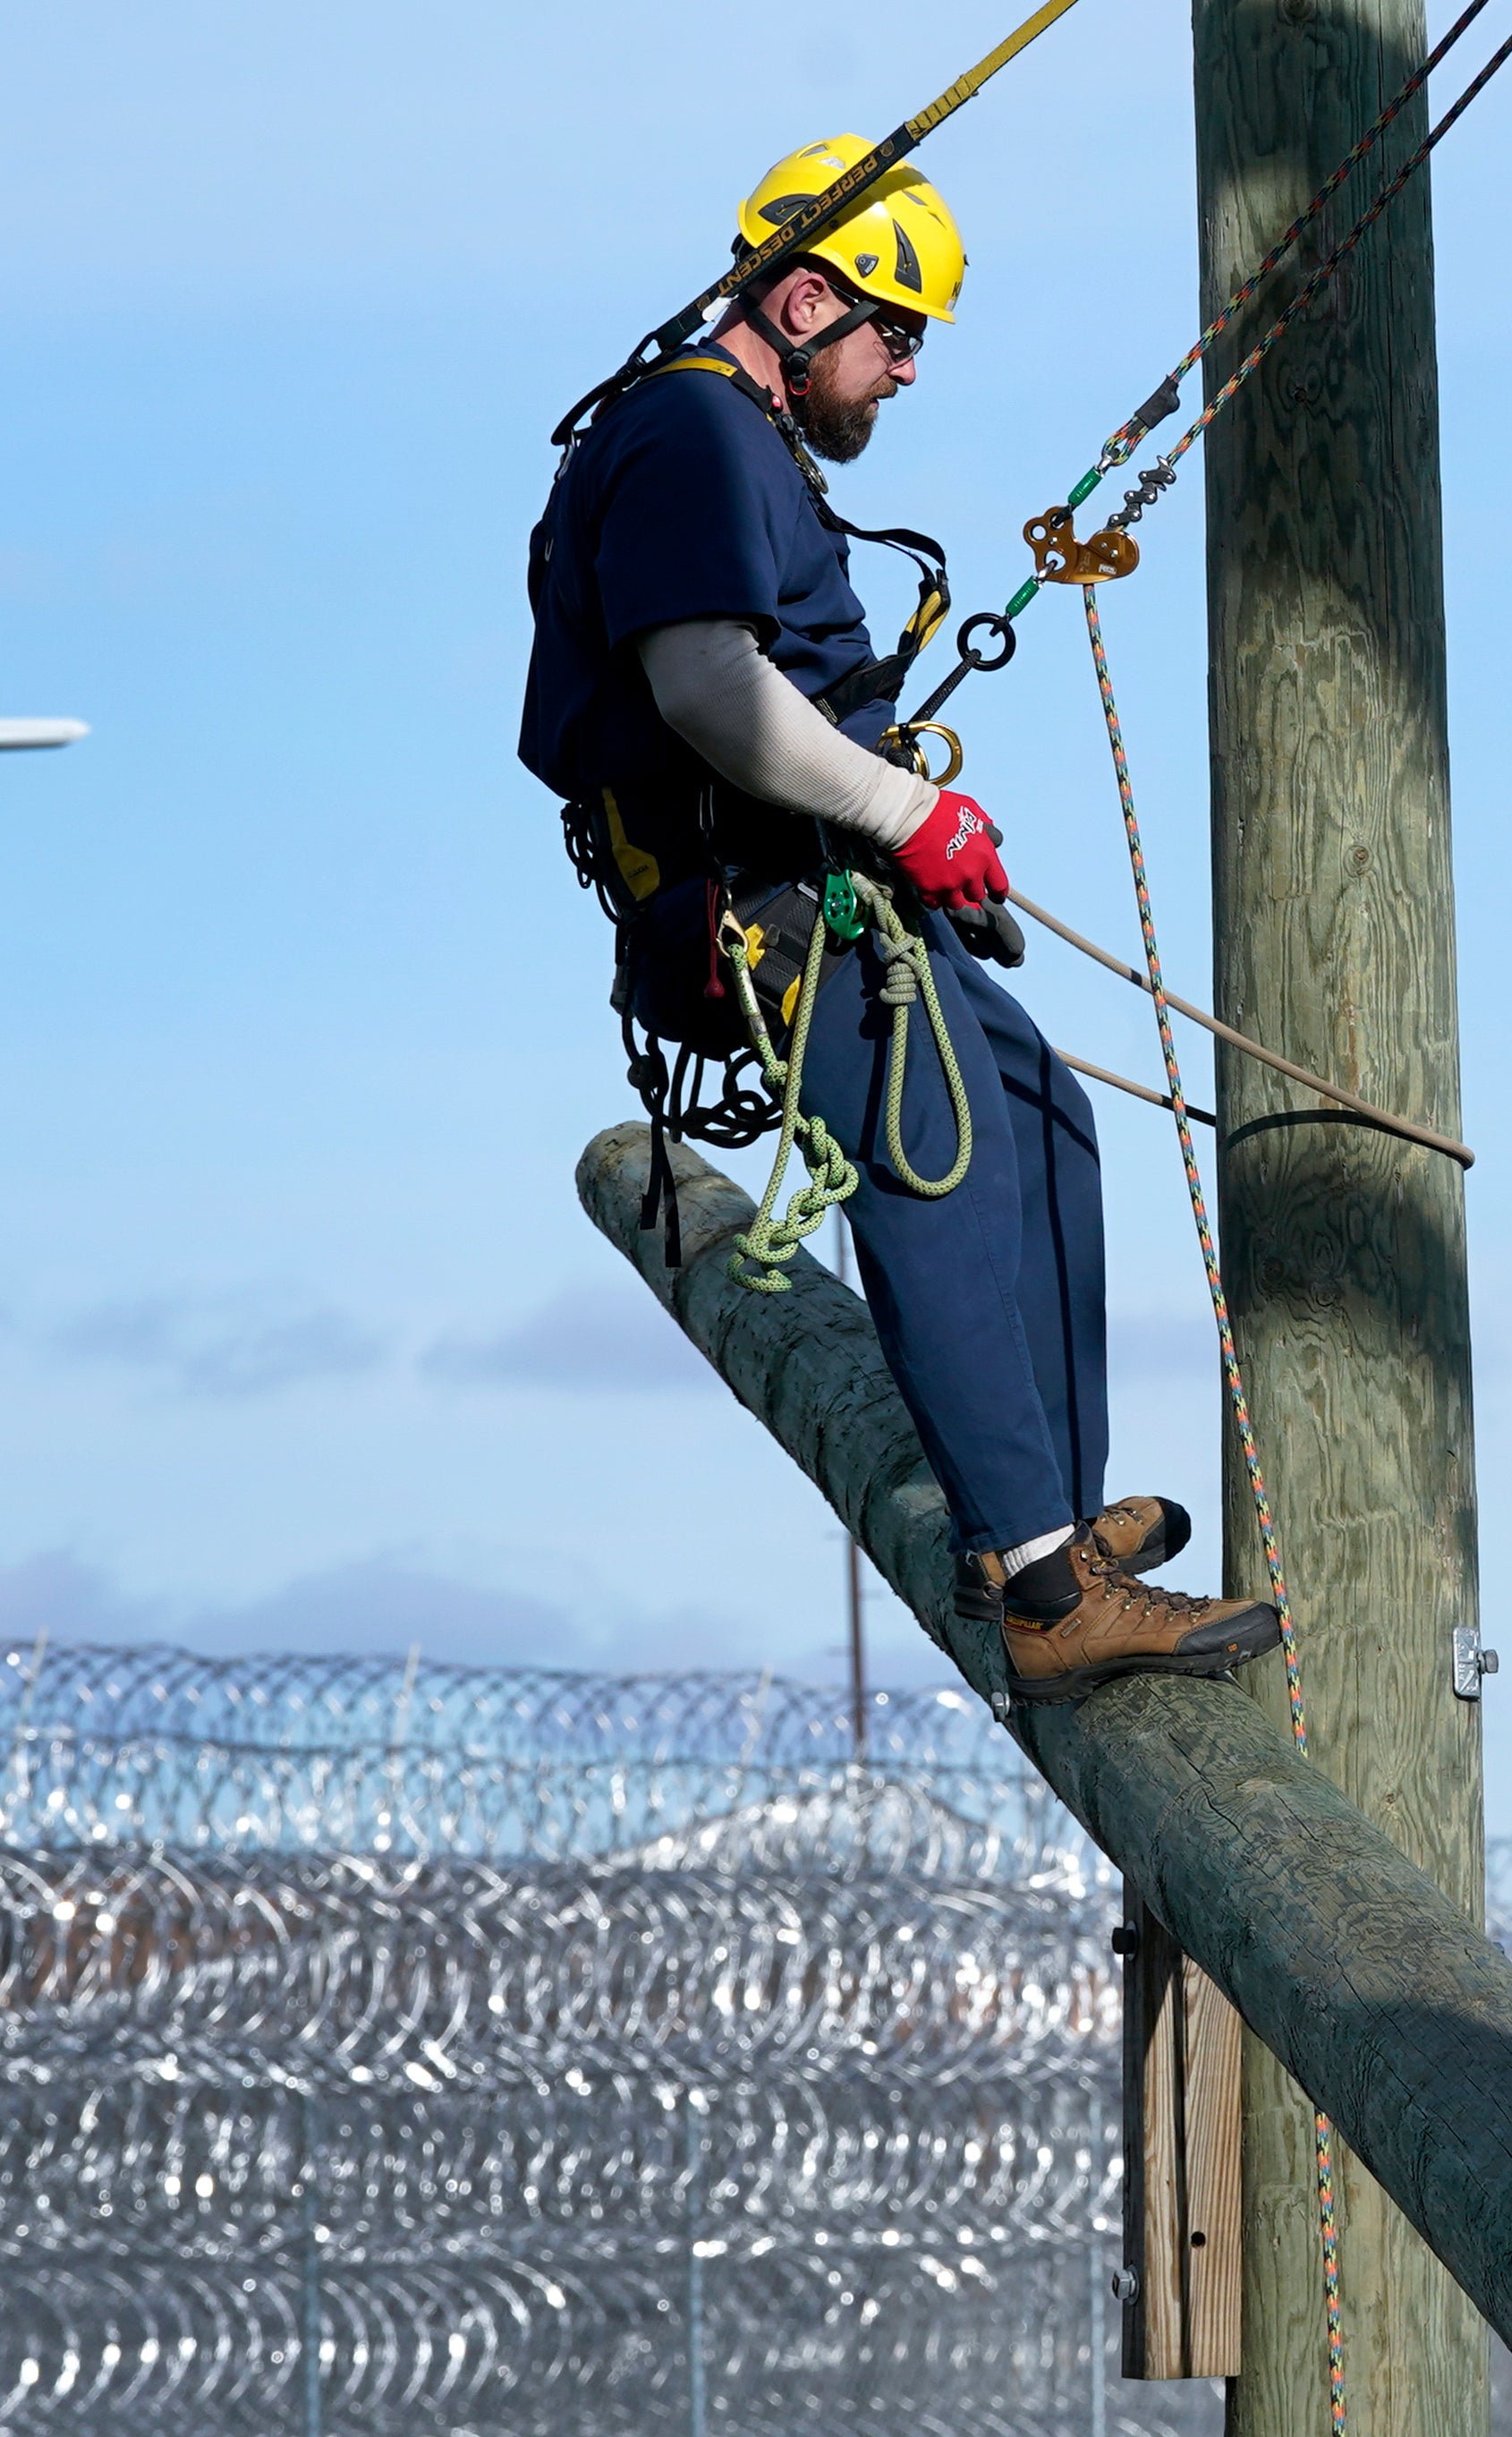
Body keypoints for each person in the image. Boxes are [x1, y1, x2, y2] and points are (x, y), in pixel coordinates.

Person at [522, 137, 1279, 1700]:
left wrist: (909, 827)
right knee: (945, 1170)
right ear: (801, 300)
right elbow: (708, 685)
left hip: (833, 878)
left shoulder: (742, 446)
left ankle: (1050, 1531)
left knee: (1038, 1116)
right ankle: (1040, 1586)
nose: (908, 370)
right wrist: (904, 813)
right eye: (895, 330)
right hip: (771, 899)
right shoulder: (690, 432)